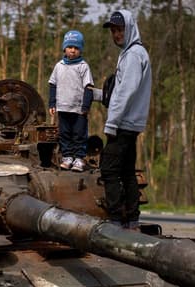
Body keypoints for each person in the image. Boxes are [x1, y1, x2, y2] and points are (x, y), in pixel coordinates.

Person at [100, 9, 152, 229]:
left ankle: (115, 222)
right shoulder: (134, 53)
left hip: (123, 124)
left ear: (130, 29)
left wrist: (111, 123)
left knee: (108, 168)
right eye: (113, 30)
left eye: (120, 29)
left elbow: (126, 92)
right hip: (130, 124)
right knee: (127, 171)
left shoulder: (132, 55)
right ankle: (132, 220)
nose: (116, 34)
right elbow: (119, 90)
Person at [48, 29, 95, 172]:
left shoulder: (83, 67)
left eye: (76, 48)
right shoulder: (59, 66)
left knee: (79, 134)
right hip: (62, 107)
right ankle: (67, 157)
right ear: (64, 48)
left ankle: (79, 159)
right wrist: (52, 103)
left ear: (80, 50)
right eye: (70, 47)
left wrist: (86, 106)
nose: (73, 51)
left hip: (79, 109)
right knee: (64, 134)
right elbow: (52, 84)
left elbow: (89, 87)